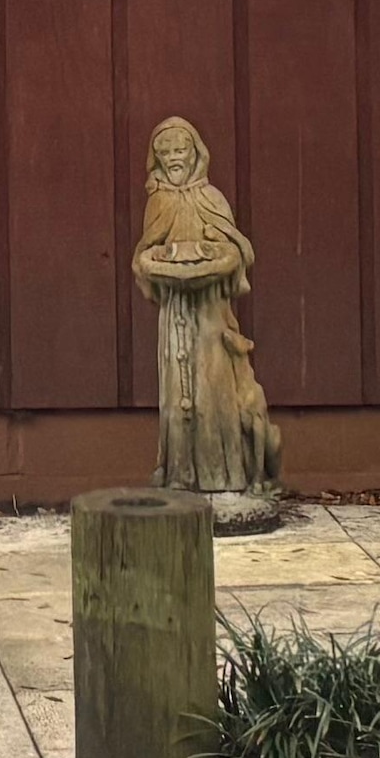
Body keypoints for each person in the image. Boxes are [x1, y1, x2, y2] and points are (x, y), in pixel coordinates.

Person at [134, 116, 279, 500]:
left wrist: (210, 258)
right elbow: (144, 255)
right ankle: (180, 475)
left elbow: (237, 251)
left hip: (212, 314)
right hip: (175, 314)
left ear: (195, 152)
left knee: (213, 388)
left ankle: (222, 474)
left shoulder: (212, 198)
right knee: (176, 391)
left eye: (180, 150)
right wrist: (163, 262)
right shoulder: (158, 202)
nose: (173, 159)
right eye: (164, 153)